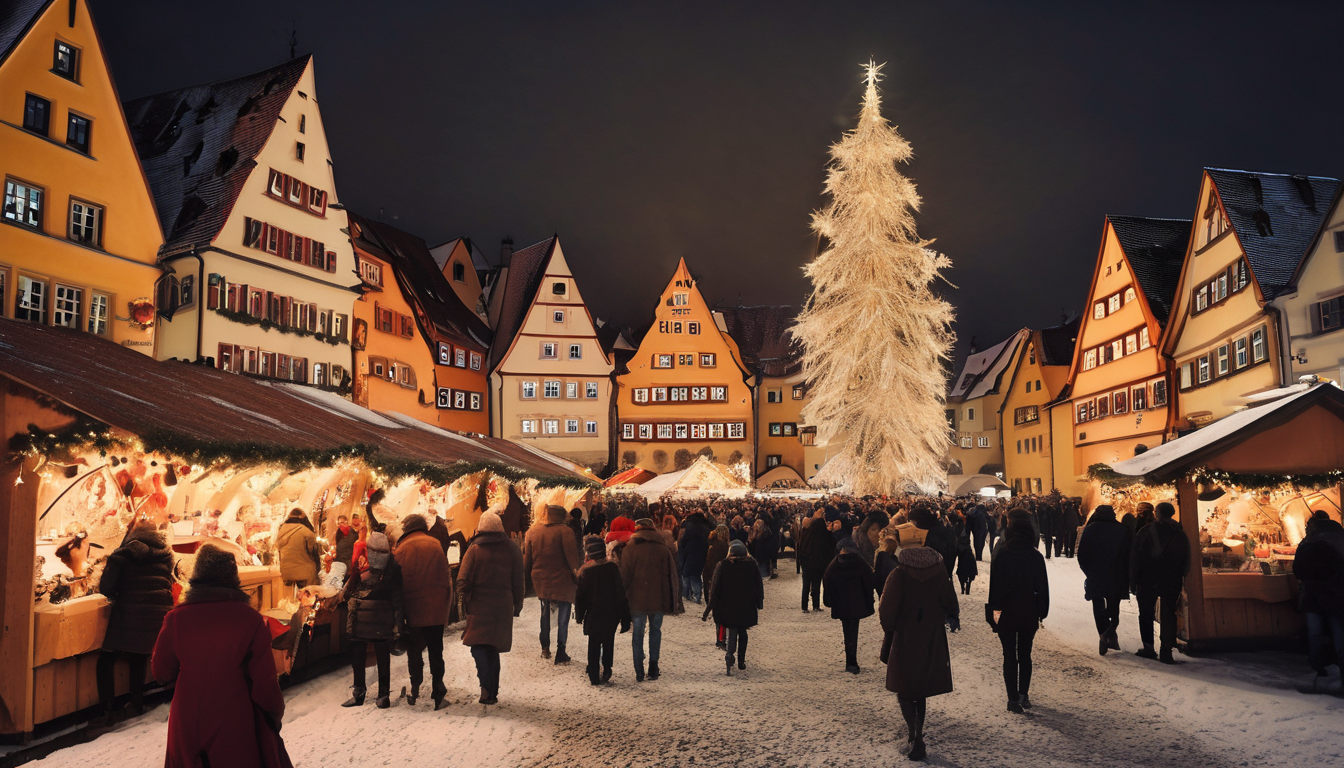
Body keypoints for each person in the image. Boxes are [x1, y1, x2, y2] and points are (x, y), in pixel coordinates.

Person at [153, 543, 286, 768]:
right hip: (235, 717)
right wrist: (273, 715)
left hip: (187, 718)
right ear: (233, 578)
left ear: (196, 576)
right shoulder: (251, 620)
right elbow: (264, 684)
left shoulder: (176, 619)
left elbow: (161, 672)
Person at [879, 538, 959, 762]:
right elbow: (949, 600)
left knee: (905, 687)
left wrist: (889, 629)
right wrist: (951, 616)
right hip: (931, 635)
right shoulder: (939, 572)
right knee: (920, 687)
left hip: (905, 636)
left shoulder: (899, 574)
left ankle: (914, 735)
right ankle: (917, 733)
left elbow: (887, 609)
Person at [97, 521, 174, 723]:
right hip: (157, 616)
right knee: (137, 657)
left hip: (129, 613)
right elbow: (169, 582)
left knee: (106, 659)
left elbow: (106, 588)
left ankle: (107, 710)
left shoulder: (122, 555)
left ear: (132, 535)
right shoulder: (166, 554)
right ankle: (136, 704)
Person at [458, 511, 525, 705]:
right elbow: (518, 580)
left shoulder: (474, 549)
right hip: (502, 607)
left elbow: (462, 579)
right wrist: (517, 604)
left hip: (479, 606)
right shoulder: (511, 548)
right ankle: (491, 691)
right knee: (492, 648)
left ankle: (485, 688)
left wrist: (464, 597)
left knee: (479, 647)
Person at [988, 516, 1049, 713]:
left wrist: (993, 612)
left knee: (1008, 654)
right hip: (1028, 610)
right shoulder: (1035, 556)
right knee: (1025, 653)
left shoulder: (1003, 554)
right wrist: (1042, 611)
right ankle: (1024, 694)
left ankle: (1012, 698)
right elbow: (1042, 587)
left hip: (1006, 611)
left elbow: (995, 587)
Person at [395, 513, 453, 709]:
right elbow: (445, 577)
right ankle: (438, 691)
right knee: (436, 651)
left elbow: (397, 582)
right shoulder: (435, 544)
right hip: (435, 609)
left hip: (413, 609)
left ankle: (415, 688)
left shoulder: (402, 548)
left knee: (414, 651)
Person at [340, 530, 402, 708]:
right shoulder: (393, 568)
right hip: (382, 619)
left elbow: (347, 592)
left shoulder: (363, 567)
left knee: (359, 656)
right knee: (382, 657)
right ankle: (383, 695)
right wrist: (398, 622)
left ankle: (359, 693)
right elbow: (397, 598)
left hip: (361, 617)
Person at [620, 518, 683, 682]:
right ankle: (653, 666)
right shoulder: (663, 549)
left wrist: (621, 596)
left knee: (638, 633)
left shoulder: (630, 548)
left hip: (637, 599)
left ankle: (639, 669)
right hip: (658, 598)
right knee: (655, 631)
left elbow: (624, 576)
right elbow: (671, 576)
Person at [1129, 501, 1189, 664]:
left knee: (1146, 614)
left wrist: (1133, 581)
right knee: (1169, 613)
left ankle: (1148, 647)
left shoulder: (1146, 531)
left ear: (1158, 513)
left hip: (1147, 579)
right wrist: (1182, 577)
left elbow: (1135, 556)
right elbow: (1186, 559)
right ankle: (1166, 651)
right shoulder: (1180, 534)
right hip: (1172, 580)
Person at [524, 504, 583, 664]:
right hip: (562, 579)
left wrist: (526, 579)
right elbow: (572, 558)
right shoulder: (565, 531)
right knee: (563, 615)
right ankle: (561, 650)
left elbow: (527, 559)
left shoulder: (533, 531)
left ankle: (545, 647)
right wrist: (577, 576)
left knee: (545, 612)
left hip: (541, 579)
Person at [1293, 511, 1344, 691]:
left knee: (1314, 633)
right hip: (1337, 594)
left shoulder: (1308, 540)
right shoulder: (1339, 536)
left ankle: (1317, 670)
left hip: (1312, 594)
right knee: (1340, 634)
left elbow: (1297, 569)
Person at [1077, 504, 1133, 656]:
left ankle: (1103, 633)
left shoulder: (1090, 529)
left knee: (1098, 604)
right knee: (1114, 603)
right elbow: (1128, 555)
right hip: (1117, 575)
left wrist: (1089, 571)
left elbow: (1082, 554)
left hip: (1096, 574)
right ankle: (1112, 629)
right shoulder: (1122, 530)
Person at [575, 535, 631, 685]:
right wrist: (625, 617)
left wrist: (579, 615)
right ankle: (607, 668)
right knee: (608, 642)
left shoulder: (585, 571)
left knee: (593, 644)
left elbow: (580, 597)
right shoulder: (612, 568)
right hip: (610, 612)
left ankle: (593, 672)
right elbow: (620, 594)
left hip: (593, 613)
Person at [702, 540, 763, 675]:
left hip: (727, 605)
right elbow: (758, 585)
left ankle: (729, 654)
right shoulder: (751, 565)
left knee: (731, 628)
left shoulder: (722, 565)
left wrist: (708, 609)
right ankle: (741, 658)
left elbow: (715, 588)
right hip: (746, 606)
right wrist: (759, 602)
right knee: (743, 631)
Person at [822, 536, 876, 674]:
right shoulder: (861, 564)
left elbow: (827, 583)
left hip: (841, 604)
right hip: (857, 603)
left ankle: (850, 661)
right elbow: (869, 582)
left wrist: (828, 601)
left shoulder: (834, 565)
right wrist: (869, 600)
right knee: (853, 630)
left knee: (847, 630)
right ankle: (852, 661)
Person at [799, 509, 834, 612]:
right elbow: (828, 543)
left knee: (807, 584)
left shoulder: (806, 531)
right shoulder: (820, 528)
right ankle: (815, 605)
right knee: (816, 583)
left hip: (807, 561)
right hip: (818, 561)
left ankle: (805, 606)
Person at [277, 508, 321, 587]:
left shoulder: (281, 530)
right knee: (310, 593)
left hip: (286, 572)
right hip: (304, 574)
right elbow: (314, 553)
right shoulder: (306, 532)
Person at [704, 524, 731, 648]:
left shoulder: (713, 548)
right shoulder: (730, 547)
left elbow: (709, 567)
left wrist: (708, 583)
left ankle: (720, 638)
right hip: (728, 582)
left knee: (718, 611)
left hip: (716, 581)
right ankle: (726, 636)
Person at [678, 509, 712, 604]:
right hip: (702, 553)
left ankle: (686, 594)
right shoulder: (706, 528)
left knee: (685, 574)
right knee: (696, 575)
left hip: (689, 552)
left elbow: (684, 541)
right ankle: (697, 596)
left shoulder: (690, 526)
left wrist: (682, 549)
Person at [955, 529, 978, 595]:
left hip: (962, 558)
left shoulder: (959, 545)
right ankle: (969, 583)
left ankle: (962, 587)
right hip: (969, 555)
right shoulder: (969, 549)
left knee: (960, 573)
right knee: (971, 572)